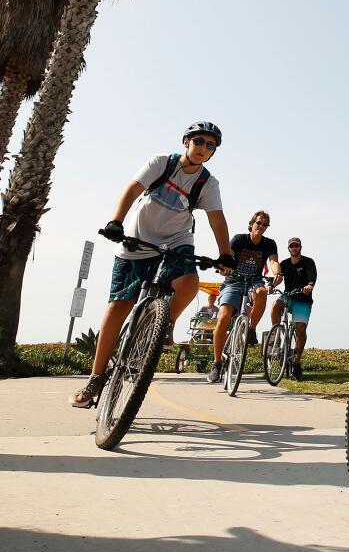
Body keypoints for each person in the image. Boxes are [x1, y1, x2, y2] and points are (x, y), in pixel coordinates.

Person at [71, 122, 233, 407]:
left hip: (176, 240)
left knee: (189, 282)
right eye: (198, 141)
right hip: (137, 240)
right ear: (186, 141)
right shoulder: (161, 164)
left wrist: (225, 254)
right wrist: (116, 222)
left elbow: (216, 218)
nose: (203, 148)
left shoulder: (208, 183)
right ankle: (96, 378)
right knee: (119, 306)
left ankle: (164, 323)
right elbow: (133, 188)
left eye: (210, 145)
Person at [208, 210, 279, 383]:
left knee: (262, 292)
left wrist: (278, 273)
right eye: (259, 223)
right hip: (234, 281)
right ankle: (217, 363)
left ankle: (251, 329)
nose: (261, 227)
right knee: (223, 318)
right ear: (252, 223)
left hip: (254, 281)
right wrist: (223, 267)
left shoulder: (269, 244)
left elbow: (273, 262)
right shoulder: (239, 239)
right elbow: (229, 256)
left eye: (265, 224)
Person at [270, 236, 317, 379]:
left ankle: (297, 363)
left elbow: (312, 276)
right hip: (288, 296)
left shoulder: (308, 262)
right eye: (292, 246)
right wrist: (272, 286)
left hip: (303, 299)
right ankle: (277, 333)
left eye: (296, 246)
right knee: (275, 305)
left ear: (300, 247)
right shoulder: (284, 263)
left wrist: (310, 285)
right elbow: (279, 278)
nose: (294, 248)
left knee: (301, 329)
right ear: (289, 248)